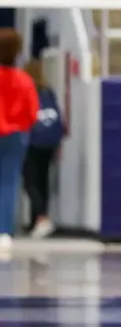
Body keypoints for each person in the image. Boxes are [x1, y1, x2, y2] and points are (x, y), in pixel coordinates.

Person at [0, 29, 37, 251]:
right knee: (9, 182)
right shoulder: (24, 80)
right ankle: (3, 231)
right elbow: (33, 113)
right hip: (15, 135)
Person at [22, 58, 63, 239]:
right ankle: (36, 222)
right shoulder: (49, 91)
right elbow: (58, 117)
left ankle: (42, 219)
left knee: (30, 182)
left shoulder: (26, 90)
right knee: (42, 182)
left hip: (32, 141)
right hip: (50, 143)